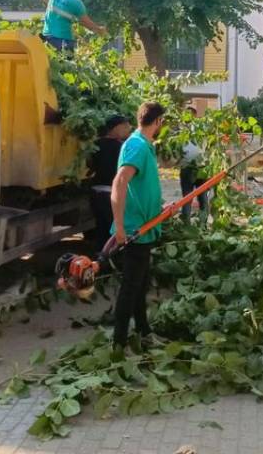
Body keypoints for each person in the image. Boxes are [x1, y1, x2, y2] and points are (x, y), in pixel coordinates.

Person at [110, 101, 165, 354]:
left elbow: (142, 186)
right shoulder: (136, 145)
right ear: (157, 122)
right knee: (130, 288)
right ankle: (119, 343)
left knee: (140, 285)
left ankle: (144, 332)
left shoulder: (144, 146)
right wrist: (120, 227)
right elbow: (120, 183)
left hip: (146, 228)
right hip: (134, 231)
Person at [88, 114, 132, 250]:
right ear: (116, 128)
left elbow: (89, 166)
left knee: (100, 227)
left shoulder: (94, 145)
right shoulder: (121, 147)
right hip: (111, 193)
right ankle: (111, 259)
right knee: (113, 229)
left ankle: (99, 257)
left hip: (95, 191)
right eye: (125, 127)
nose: (128, 130)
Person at [39, 0, 107, 52]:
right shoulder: (76, 2)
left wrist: (53, 5)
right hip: (62, 41)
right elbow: (86, 22)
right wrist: (99, 30)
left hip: (46, 38)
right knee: (66, 63)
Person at [179, 106, 211, 224]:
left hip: (197, 167)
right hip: (191, 167)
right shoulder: (181, 131)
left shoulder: (186, 131)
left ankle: (198, 224)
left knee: (196, 197)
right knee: (191, 198)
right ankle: (192, 224)